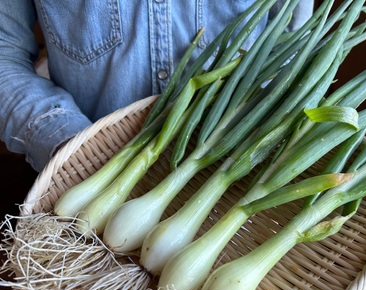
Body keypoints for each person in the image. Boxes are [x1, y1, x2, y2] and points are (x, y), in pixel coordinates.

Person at [0, 1, 313, 172]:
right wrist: (70, 147)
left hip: (227, 179)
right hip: (80, 182)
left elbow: (291, 46)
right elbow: (5, 52)